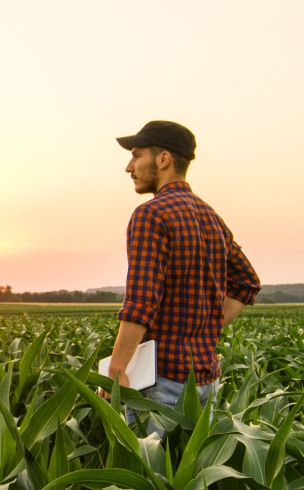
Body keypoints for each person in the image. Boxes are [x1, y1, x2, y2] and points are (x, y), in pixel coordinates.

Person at [103, 120, 260, 432]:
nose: (129, 166)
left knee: (152, 476)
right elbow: (247, 282)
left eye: (136, 155)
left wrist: (117, 368)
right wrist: (207, 327)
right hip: (206, 381)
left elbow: (141, 301)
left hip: (161, 385)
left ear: (163, 160)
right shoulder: (210, 216)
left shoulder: (151, 215)